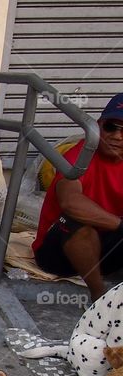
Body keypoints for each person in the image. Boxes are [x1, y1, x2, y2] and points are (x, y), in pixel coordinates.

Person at [33, 93, 123, 300]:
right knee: (76, 222)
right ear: (99, 125)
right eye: (111, 127)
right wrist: (119, 225)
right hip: (59, 253)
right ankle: (98, 296)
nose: (116, 136)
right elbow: (70, 202)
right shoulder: (80, 154)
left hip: (106, 248)